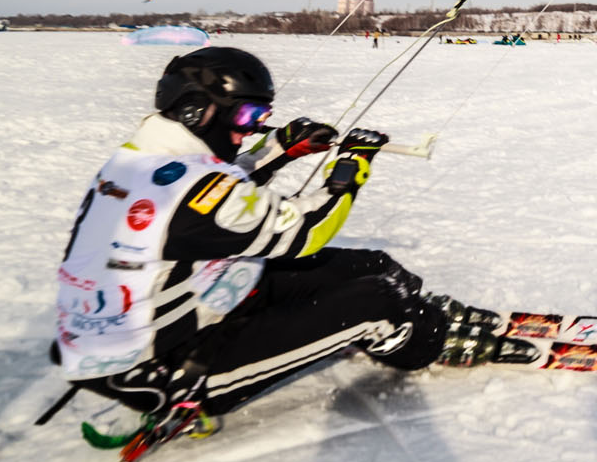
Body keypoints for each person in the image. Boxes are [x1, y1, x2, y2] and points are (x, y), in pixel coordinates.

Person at [50, 46, 517, 429]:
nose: (253, 126)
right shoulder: (189, 193)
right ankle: (422, 336)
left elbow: (224, 185)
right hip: (169, 364)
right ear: (199, 110)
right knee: (377, 302)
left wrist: (282, 148)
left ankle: (413, 311)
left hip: (198, 303)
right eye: (249, 114)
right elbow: (306, 233)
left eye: (262, 115)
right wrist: (350, 169)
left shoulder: (148, 157)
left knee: (374, 266)